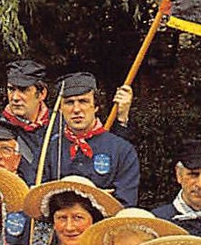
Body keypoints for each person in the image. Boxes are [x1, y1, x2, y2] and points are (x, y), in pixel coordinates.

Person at [46, 73, 140, 206]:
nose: (76, 109)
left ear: (96, 106)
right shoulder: (49, 148)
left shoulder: (122, 150)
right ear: (60, 109)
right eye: (69, 102)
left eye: (83, 101)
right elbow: (38, 197)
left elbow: (126, 203)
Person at [0, 60, 51, 182]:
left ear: (42, 93)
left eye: (23, 90)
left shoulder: (60, 125)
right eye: (11, 89)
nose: (15, 98)